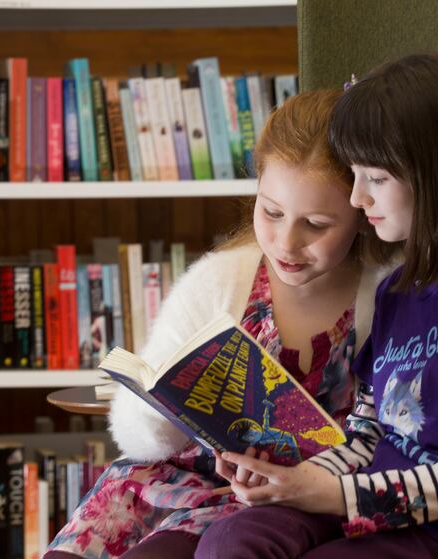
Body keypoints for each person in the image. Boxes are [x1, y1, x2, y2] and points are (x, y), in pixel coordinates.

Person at [197, 53, 438, 559]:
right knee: (230, 540)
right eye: (355, 175)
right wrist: (288, 481)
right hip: (363, 510)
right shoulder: (393, 294)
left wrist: (331, 495)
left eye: (375, 178)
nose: (355, 198)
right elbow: (367, 435)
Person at [44, 88, 396, 559]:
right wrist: (159, 408)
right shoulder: (222, 280)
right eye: (271, 212)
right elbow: (142, 434)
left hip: (283, 502)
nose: (287, 243)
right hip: (175, 479)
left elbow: (392, 442)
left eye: (315, 224)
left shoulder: (384, 296)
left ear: (361, 213)